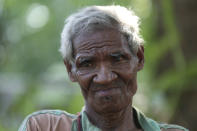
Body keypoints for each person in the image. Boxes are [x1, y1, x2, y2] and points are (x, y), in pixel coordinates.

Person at [18, 5, 188, 131]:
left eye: (117, 59)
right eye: (87, 64)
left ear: (139, 57)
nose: (105, 77)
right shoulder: (44, 127)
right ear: (70, 70)